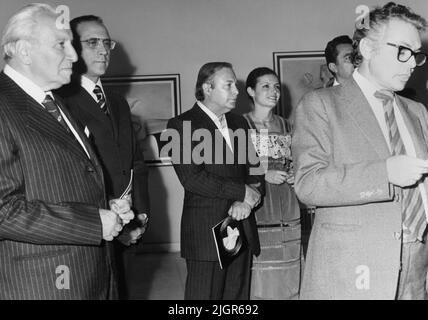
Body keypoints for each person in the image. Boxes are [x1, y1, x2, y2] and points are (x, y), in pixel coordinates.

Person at [293, 2, 428, 299]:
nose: (411, 63)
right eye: (402, 51)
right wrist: (385, 173)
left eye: (416, 55)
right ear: (367, 48)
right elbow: (308, 184)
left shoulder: (417, 111)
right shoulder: (321, 105)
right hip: (354, 270)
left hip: (417, 268)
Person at [0, 3, 134, 299]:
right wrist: (92, 222)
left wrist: (105, 206)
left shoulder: (54, 101)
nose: (74, 56)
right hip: (43, 284)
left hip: (91, 275)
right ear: (23, 51)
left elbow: (63, 181)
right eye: (61, 45)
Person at [58, 15, 150, 299]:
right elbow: (66, 173)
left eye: (107, 42)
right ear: (72, 48)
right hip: (91, 226)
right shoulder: (59, 99)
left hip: (127, 224)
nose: (103, 50)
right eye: (92, 42)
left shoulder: (119, 102)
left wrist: (140, 216)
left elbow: (135, 162)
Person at [166, 62, 265, 300]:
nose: (236, 91)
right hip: (206, 231)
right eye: (228, 85)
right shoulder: (180, 125)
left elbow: (253, 168)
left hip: (240, 224)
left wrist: (246, 202)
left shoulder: (239, 123)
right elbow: (191, 178)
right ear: (207, 88)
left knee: (236, 296)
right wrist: (241, 191)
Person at [243, 67, 302, 300]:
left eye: (276, 86)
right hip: (258, 203)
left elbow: (299, 160)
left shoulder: (288, 126)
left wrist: (295, 174)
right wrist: (263, 174)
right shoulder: (241, 125)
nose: (273, 91)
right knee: (260, 268)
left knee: (289, 264)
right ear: (250, 91)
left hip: (287, 202)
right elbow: (232, 167)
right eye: (265, 86)